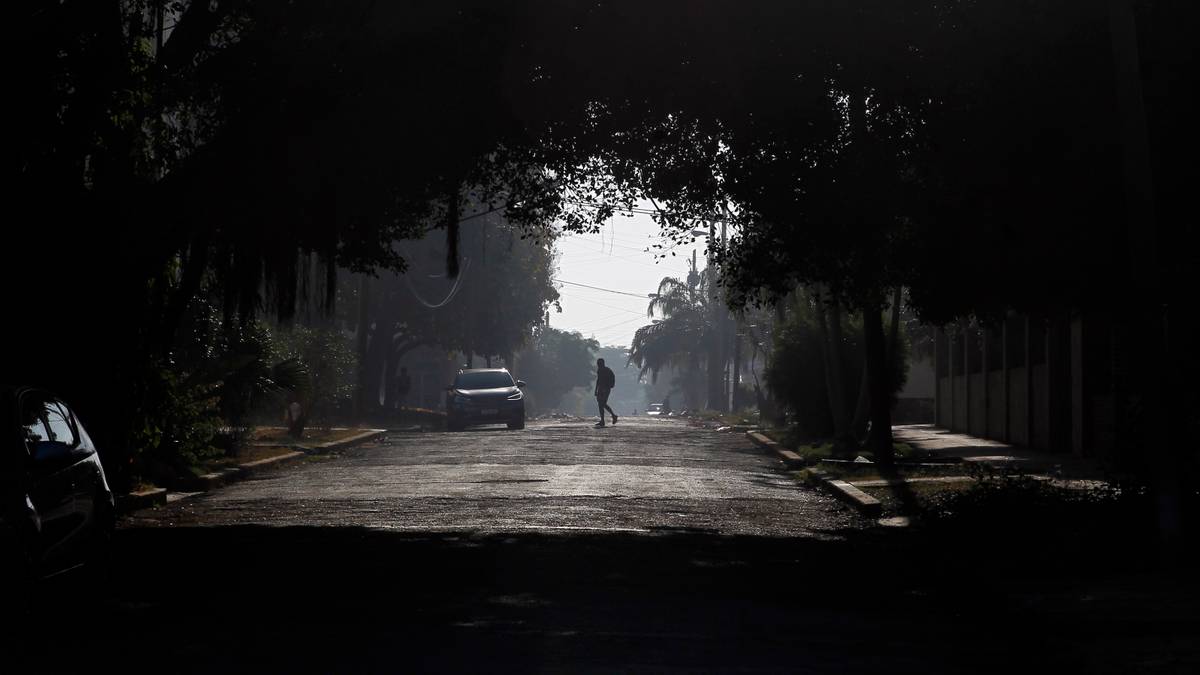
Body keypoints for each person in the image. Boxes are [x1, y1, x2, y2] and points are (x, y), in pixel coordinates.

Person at [594, 358, 617, 428]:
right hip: (601, 389)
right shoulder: (600, 370)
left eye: (599, 363)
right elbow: (598, 380)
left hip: (606, 389)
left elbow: (600, 380)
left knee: (602, 404)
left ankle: (612, 416)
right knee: (601, 404)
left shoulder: (606, 370)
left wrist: (597, 389)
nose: (598, 365)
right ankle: (603, 420)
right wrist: (596, 389)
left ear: (602, 363)